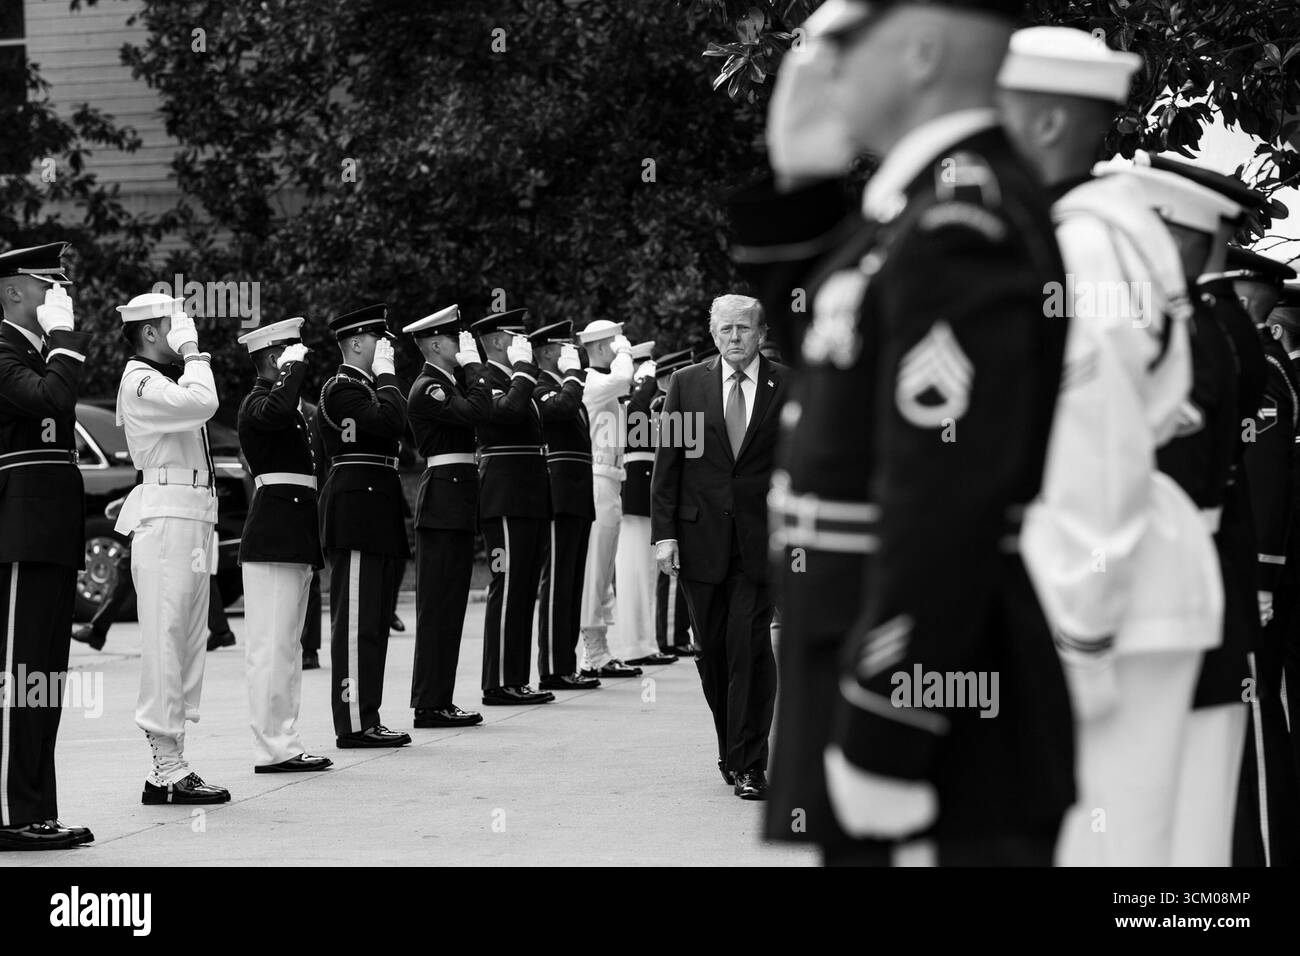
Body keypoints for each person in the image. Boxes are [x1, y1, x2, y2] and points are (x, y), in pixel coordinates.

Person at [741, 0, 1073, 863]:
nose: (823, 66)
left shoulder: (962, 221)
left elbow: (948, 492)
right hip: (866, 648)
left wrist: (894, 710)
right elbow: (828, 347)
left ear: (922, 49)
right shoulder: (919, 211)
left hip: (925, 683)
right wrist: (800, 181)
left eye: (845, 44)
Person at [998, 27, 1222, 866]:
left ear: (1049, 122)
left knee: (1109, 855)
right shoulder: (1093, 232)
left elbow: (1095, 449)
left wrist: (1078, 641)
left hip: (1102, 593)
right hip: (1121, 581)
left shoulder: (1082, 246)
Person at [1116, 156, 1257, 866]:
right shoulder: (1195, 323)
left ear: (1181, 237)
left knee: (1184, 807)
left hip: (1176, 581)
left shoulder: (1192, 332)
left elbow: (1173, 477)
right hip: (1187, 577)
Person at [652, 294, 786, 800]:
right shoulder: (687, 384)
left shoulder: (786, 385)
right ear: (713, 335)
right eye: (726, 329)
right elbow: (669, 466)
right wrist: (664, 535)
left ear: (760, 333)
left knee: (749, 647)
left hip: (761, 541)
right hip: (698, 539)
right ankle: (732, 746)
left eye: (744, 329)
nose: (735, 338)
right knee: (712, 653)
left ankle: (751, 763)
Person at [113, 291, 229, 804]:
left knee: (186, 644)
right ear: (151, 333)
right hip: (165, 518)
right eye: (173, 321)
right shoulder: (138, 380)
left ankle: (173, 763)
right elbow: (205, 402)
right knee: (166, 642)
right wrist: (196, 353)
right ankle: (165, 767)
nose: (184, 326)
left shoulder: (163, 379)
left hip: (193, 515)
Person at [0, 242, 95, 849]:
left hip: (50, 530)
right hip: (18, 532)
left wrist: (58, 342)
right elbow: (52, 400)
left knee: (46, 680)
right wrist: (64, 341)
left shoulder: (37, 352)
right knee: (18, 678)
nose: (59, 295)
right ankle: (10, 814)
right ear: (12, 291)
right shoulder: (4, 350)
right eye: (46, 284)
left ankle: (36, 808)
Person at [1226, 246, 1300, 866]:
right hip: (1240, 570)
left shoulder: (1262, 372)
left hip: (1255, 575)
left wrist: (1261, 577)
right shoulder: (1249, 362)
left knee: (1256, 716)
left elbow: (1265, 480)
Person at [235, 317, 333, 774]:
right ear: (276, 359)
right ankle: (272, 747)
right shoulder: (258, 404)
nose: (301, 365)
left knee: (288, 647)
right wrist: (290, 375)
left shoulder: (290, 409)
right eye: (292, 357)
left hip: (294, 533)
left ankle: (285, 740)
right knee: (271, 648)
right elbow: (274, 411)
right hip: (274, 533)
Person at [316, 303, 412, 748]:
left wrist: (387, 379)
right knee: (355, 623)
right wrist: (390, 376)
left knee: (372, 621)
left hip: (376, 505)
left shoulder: (367, 389)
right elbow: (391, 420)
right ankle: (353, 722)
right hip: (357, 509)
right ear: (356, 343)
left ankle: (367, 715)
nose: (385, 347)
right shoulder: (341, 389)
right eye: (379, 339)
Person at [402, 304, 491, 726]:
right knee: (437, 608)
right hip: (442, 504)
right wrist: (474, 366)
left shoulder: (445, 383)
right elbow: (478, 412)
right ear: (437, 344)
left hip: (454, 503)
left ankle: (440, 699)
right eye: (456, 339)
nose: (462, 346)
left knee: (450, 607)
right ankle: (429, 704)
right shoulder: (429, 387)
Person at [470, 309, 554, 705]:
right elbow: (508, 413)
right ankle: (499, 682)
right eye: (515, 336)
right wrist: (523, 370)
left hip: (528, 493)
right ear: (500, 342)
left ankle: (517, 678)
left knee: (523, 589)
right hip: (504, 495)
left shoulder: (514, 379)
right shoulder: (483, 378)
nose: (523, 344)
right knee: (507, 586)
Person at [530, 320, 603, 692]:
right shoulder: (541, 388)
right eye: (563, 347)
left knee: (572, 582)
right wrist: (574, 373)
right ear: (545, 352)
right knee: (557, 583)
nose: (569, 353)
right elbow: (560, 408)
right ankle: (553, 668)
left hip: (577, 496)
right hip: (558, 496)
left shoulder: (563, 389)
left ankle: (566, 662)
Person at [576, 320, 642, 679]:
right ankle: (591, 651)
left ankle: (599, 649)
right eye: (614, 342)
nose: (620, 346)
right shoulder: (594, 382)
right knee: (595, 569)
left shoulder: (606, 389)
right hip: (598, 480)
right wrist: (626, 352)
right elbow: (621, 379)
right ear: (602, 347)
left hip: (612, 480)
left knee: (603, 570)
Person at [613, 341, 676, 666]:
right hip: (635, 489)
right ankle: (634, 645)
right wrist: (649, 380)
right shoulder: (637, 395)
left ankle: (645, 642)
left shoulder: (647, 396)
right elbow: (637, 422)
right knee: (634, 571)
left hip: (643, 490)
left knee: (646, 573)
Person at [648, 349, 698, 657]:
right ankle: (669, 636)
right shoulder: (659, 404)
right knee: (671, 574)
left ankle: (677, 634)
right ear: (668, 378)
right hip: (673, 493)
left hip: (686, 494)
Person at [72, 574, 233, 653]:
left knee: (195, 571)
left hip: (157, 516)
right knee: (196, 570)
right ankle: (221, 629)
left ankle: (98, 630)